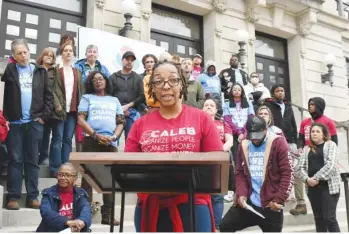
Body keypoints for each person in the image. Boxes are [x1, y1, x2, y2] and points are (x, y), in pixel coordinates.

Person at [125, 61, 223, 232]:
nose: (166, 86)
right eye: (158, 81)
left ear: (182, 85)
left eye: (172, 80)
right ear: (152, 88)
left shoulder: (202, 119)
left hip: (194, 206)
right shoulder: (139, 125)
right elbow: (128, 168)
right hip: (151, 207)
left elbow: (215, 164)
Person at [2, 39, 53, 210]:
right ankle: (13, 197)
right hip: (15, 123)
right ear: (14, 57)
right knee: (15, 160)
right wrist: (7, 118)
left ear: (29, 52)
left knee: (32, 161)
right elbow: (6, 95)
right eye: (19, 53)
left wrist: (43, 117)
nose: (23, 55)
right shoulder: (10, 70)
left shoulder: (39, 71)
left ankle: (32, 197)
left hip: (34, 122)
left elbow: (48, 96)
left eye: (25, 52)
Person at [219, 116, 294, 232]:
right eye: (252, 136)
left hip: (271, 204)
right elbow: (239, 173)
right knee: (225, 225)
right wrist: (241, 193)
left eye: (257, 136)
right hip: (249, 202)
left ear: (265, 130)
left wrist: (279, 199)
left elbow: (288, 173)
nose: (254, 140)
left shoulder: (278, 142)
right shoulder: (244, 145)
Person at [78, 71, 124, 226]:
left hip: (110, 143)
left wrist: (115, 137)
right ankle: (84, 215)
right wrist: (95, 135)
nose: (98, 81)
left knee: (110, 179)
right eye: (94, 80)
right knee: (87, 178)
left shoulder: (114, 100)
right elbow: (80, 119)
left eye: (101, 79)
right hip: (91, 140)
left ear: (106, 81)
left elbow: (121, 121)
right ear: (91, 83)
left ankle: (108, 216)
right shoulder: (87, 98)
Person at [291, 97, 338, 216]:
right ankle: (301, 204)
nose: (310, 106)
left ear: (319, 106)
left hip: (322, 156)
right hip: (307, 156)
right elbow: (300, 138)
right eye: (309, 104)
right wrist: (300, 148)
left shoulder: (328, 122)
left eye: (313, 104)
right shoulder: (304, 122)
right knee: (297, 175)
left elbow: (335, 141)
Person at [298, 123, 341, 232]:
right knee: (319, 219)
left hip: (328, 188)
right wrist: (307, 179)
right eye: (312, 131)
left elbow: (331, 165)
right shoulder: (306, 149)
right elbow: (299, 168)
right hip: (313, 189)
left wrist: (316, 178)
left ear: (324, 134)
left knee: (329, 218)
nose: (314, 133)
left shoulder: (331, 145)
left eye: (318, 131)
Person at [49, 42, 84, 177]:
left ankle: (66, 167)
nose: (68, 53)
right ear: (61, 53)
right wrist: (56, 104)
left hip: (73, 111)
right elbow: (52, 90)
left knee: (68, 139)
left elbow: (80, 91)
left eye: (70, 51)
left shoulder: (77, 72)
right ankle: (55, 168)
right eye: (66, 51)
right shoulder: (56, 70)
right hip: (59, 109)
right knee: (57, 138)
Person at [202, 98, 233, 230]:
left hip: (219, 162)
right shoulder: (198, 123)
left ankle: (216, 227)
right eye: (206, 105)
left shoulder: (223, 123)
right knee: (203, 197)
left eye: (211, 105)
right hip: (202, 163)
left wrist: (218, 150)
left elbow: (230, 141)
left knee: (217, 197)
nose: (209, 107)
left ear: (216, 110)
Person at [222, 83, 254, 203]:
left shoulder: (248, 104)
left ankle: (249, 189)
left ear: (242, 91)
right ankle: (236, 190)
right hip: (234, 136)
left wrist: (244, 133)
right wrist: (238, 132)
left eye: (238, 89)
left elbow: (251, 118)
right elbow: (227, 120)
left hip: (246, 135)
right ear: (231, 92)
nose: (236, 91)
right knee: (236, 162)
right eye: (234, 89)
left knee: (247, 161)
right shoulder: (226, 104)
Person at [36, 163, 91, 232]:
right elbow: (46, 212)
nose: (62, 178)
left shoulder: (80, 194)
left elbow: (86, 211)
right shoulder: (49, 193)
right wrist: (67, 222)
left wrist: (81, 222)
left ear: (75, 179)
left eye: (67, 175)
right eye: (60, 174)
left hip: (73, 230)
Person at [109, 51, 144, 140]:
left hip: (132, 113)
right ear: (122, 60)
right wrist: (120, 109)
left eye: (132, 60)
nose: (129, 62)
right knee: (112, 140)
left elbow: (142, 96)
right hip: (115, 114)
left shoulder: (138, 78)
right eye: (127, 59)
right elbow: (109, 96)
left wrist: (128, 106)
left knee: (131, 141)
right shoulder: (113, 77)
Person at [36, 48, 57, 165]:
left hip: (49, 107)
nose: (49, 57)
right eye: (46, 55)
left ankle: (43, 156)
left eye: (51, 55)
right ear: (42, 57)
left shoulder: (55, 72)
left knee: (46, 133)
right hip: (36, 106)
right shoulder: (36, 69)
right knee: (35, 134)